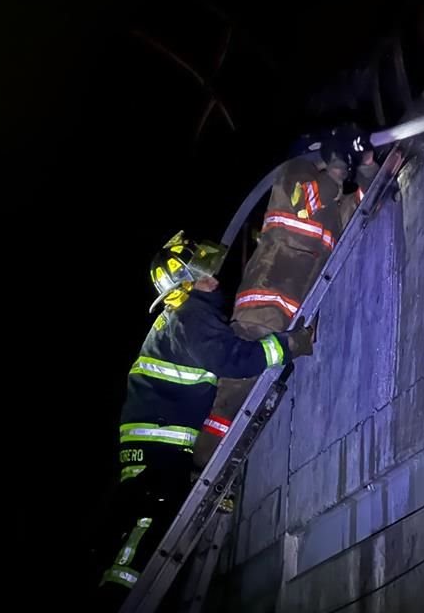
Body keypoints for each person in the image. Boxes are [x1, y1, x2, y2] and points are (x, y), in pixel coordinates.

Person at [95, 231, 314, 610]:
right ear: (187, 286)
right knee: (156, 519)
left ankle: (120, 589)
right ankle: (119, 598)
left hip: (151, 444)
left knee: (149, 521)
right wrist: (291, 345)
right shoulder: (191, 318)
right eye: (204, 275)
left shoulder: (180, 319)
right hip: (159, 445)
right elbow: (236, 360)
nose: (215, 279)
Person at [192, 125, 380, 475]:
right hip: (263, 308)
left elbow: (361, 207)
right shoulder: (293, 175)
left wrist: (367, 163)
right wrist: (339, 162)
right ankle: (201, 469)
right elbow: (308, 200)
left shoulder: (332, 202)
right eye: (331, 159)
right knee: (234, 395)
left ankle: (226, 473)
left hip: (293, 317)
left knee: (260, 400)